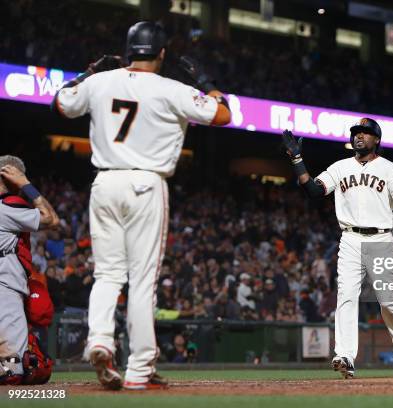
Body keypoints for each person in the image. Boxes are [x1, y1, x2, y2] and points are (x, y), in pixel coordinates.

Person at [51, 21, 231, 390]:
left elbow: (60, 102)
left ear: (128, 50)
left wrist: (88, 73)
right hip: (146, 184)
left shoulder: (100, 82)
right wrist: (207, 83)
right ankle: (139, 369)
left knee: (107, 274)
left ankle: (99, 340)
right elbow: (223, 114)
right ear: (162, 54)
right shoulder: (172, 88)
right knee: (142, 282)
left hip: (104, 182)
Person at [281, 118, 393, 378]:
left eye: (366, 133)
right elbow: (314, 190)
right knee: (346, 296)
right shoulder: (339, 167)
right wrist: (297, 160)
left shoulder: (389, 168)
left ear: (377, 140)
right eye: (356, 133)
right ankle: (345, 356)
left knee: (387, 301)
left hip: (381, 239)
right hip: (350, 239)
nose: (359, 136)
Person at [0, 158, 59, 385]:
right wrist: (25, 183)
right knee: (15, 371)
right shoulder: (7, 207)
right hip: (4, 285)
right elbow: (51, 218)